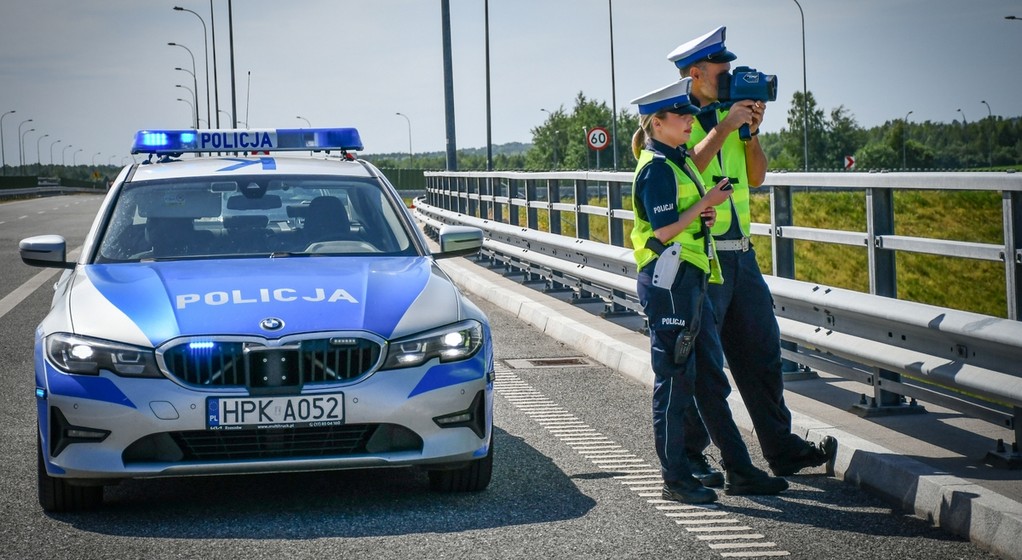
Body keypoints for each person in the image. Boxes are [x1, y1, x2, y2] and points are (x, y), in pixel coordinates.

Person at [666, 26, 838, 485]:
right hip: (701, 259)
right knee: (702, 365)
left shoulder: (732, 116)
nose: (730, 76)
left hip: (741, 256)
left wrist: (749, 134)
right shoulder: (674, 119)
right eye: (721, 70)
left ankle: (781, 450)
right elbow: (684, 169)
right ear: (696, 73)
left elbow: (757, 177)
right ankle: (692, 455)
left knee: (763, 355)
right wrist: (723, 128)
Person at [629, 77, 789, 503]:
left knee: (709, 381)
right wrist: (705, 205)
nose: (689, 121)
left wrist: (703, 215)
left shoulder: (677, 160)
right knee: (675, 383)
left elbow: (683, 217)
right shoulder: (657, 167)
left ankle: (740, 468)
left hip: (691, 277)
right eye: (680, 116)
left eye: (689, 114)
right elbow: (663, 230)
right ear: (657, 123)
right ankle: (675, 479)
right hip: (669, 283)